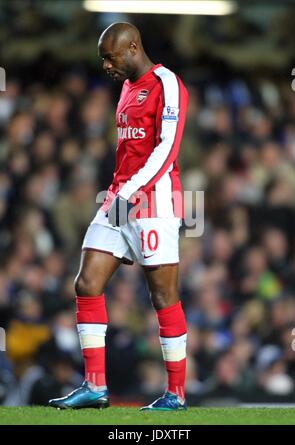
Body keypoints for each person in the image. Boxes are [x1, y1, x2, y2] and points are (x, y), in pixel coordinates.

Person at [49, 22, 188, 411]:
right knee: (87, 283)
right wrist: (119, 195)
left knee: (163, 296)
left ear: (133, 48)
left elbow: (166, 149)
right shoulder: (126, 88)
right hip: (119, 198)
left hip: (154, 202)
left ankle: (176, 394)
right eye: (102, 59)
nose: (106, 66)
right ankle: (95, 386)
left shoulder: (167, 84)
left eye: (110, 57)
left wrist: (128, 194)